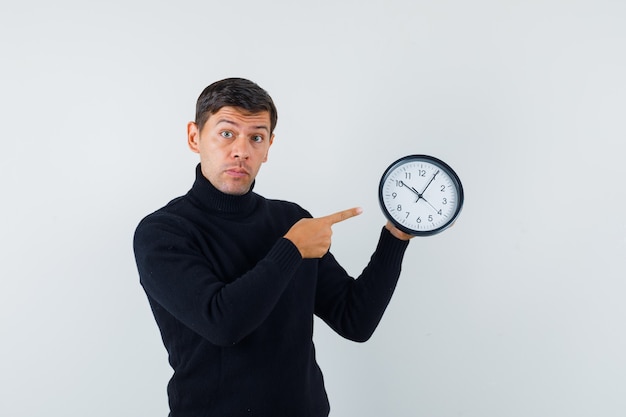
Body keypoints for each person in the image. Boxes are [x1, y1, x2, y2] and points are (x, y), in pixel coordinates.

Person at [133, 77, 413, 417]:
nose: (241, 150)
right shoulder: (163, 232)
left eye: (256, 137)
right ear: (195, 137)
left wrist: (396, 236)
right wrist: (292, 248)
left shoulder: (291, 219)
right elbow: (223, 324)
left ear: (268, 147)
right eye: (226, 133)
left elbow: (355, 320)